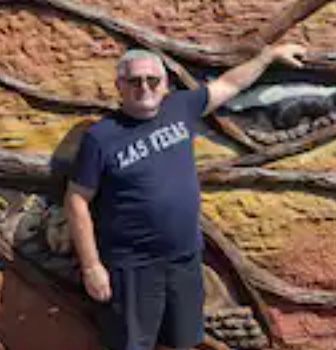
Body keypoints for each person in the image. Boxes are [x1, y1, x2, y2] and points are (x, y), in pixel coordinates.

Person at [64, 43, 307, 350]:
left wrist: (267, 57)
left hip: (184, 262)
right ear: (119, 86)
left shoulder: (180, 107)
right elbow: (76, 200)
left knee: (184, 342)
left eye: (152, 80)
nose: (144, 87)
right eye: (134, 81)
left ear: (165, 84)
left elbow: (229, 84)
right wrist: (91, 267)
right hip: (132, 270)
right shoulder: (101, 138)